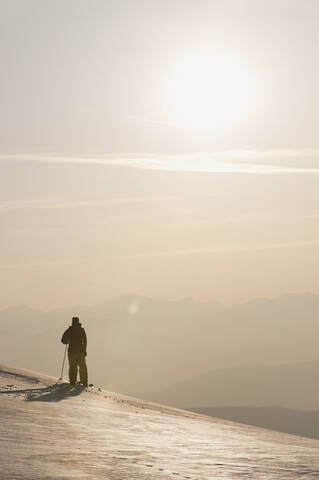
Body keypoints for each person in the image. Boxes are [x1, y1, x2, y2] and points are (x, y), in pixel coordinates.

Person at [61, 317, 88, 386]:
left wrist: (67, 341)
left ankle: (72, 382)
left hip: (71, 352)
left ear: (72, 322)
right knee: (82, 367)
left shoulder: (69, 330)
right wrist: (84, 350)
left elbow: (63, 340)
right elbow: (85, 341)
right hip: (80, 352)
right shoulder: (81, 330)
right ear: (78, 322)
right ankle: (84, 382)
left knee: (73, 367)